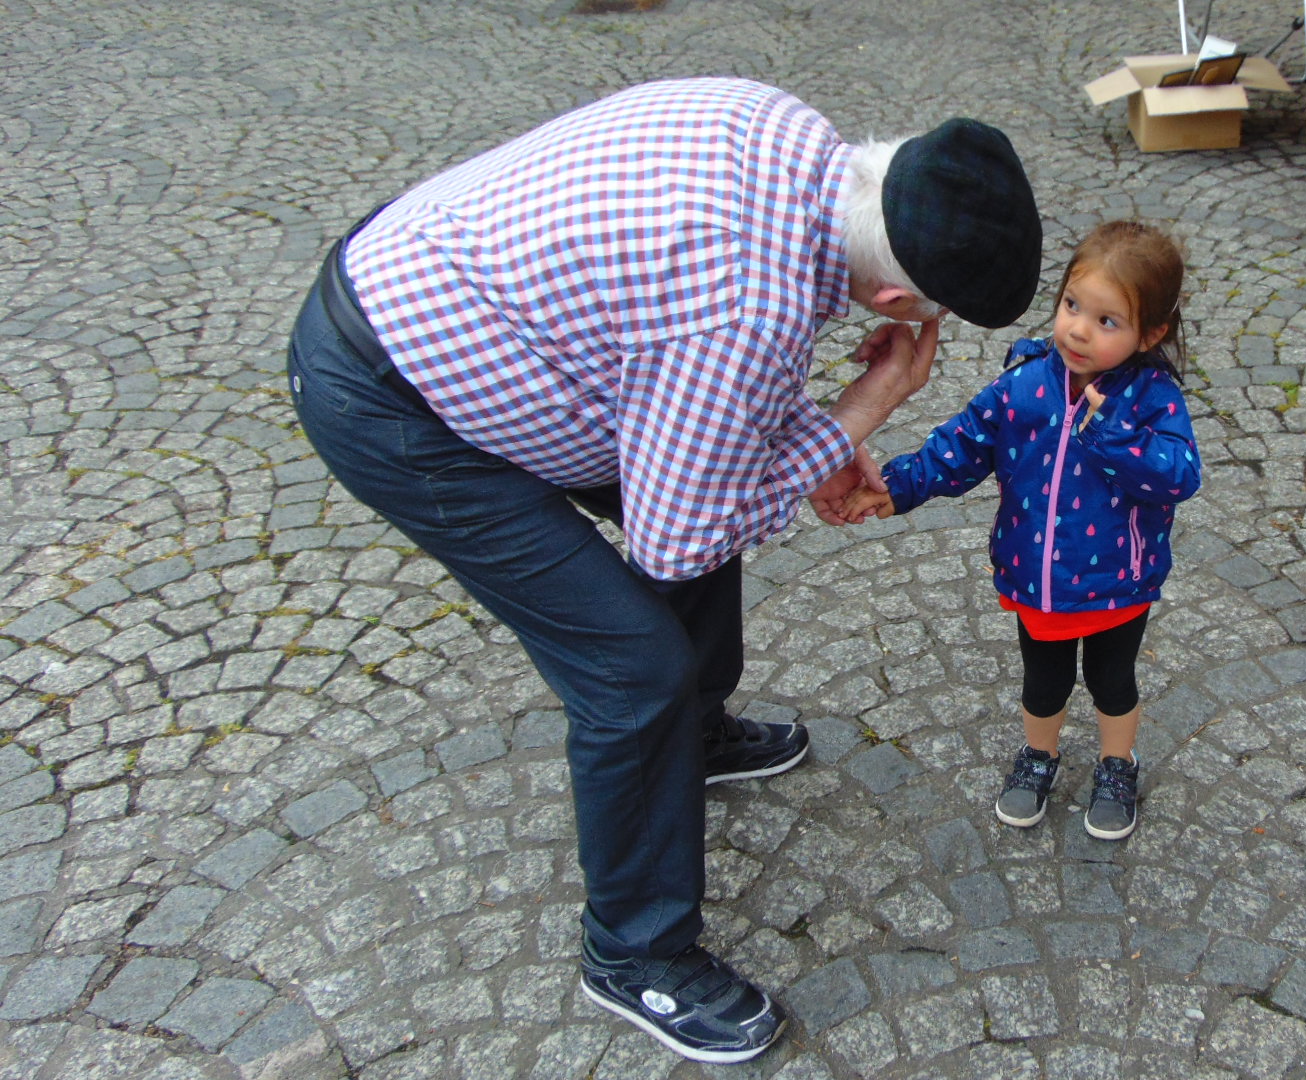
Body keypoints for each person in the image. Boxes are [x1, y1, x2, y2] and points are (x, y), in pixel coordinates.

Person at [283, 78, 1041, 1064]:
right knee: (631, 670)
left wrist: (792, 431)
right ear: (896, 302)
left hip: (471, 298)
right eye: (927, 323)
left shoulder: (788, 129)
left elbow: (702, 405)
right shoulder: (745, 312)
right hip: (397, 395)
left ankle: (696, 732)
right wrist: (869, 401)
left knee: (712, 477)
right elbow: (677, 539)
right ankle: (634, 952)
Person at [840, 221, 1201, 841]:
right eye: (1072, 306)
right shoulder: (1026, 385)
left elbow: (1179, 474)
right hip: (1036, 579)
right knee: (1044, 679)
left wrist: (1114, 433)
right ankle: (1040, 755)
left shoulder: (1152, 398)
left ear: (1152, 334)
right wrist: (897, 486)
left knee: (1114, 682)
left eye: (1107, 322)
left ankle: (1118, 764)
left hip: (1120, 581)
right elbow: (961, 445)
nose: (1079, 330)